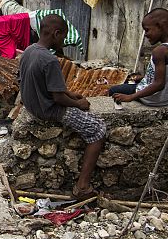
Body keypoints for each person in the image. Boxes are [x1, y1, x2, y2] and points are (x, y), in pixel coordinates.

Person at [19, 14, 106, 200]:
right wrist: (77, 103)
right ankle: (82, 186)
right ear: (56, 34)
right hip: (49, 110)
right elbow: (58, 98)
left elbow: (52, 88)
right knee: (98, 130)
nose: (64, 41)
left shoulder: (29, 51)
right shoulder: (50, 60)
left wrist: (69, 93)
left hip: (33, 104)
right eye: (64, 37)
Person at [109, 8, 168, 106]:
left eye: (147, 30)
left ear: (159, 26)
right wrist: (144, 78)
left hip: (155, 99)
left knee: (114, 90)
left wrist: (130, 97)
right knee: (130, 83)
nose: (146, 34)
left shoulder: (160, 51)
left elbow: (159, 84)